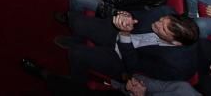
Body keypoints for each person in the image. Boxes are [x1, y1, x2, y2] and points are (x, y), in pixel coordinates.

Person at [66, 7, 199, 83]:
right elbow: (138, 13)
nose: (157, 24)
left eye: (162, 29)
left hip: (122, 61)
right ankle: (76, 40)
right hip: (120, 33)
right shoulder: (165, 12)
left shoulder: (176, 66)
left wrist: (125, 35)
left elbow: (134, 67)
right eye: (161, 20)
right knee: (76, 21)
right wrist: (127, 16)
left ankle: (75, 85)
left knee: (76, 53)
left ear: (175, 42)